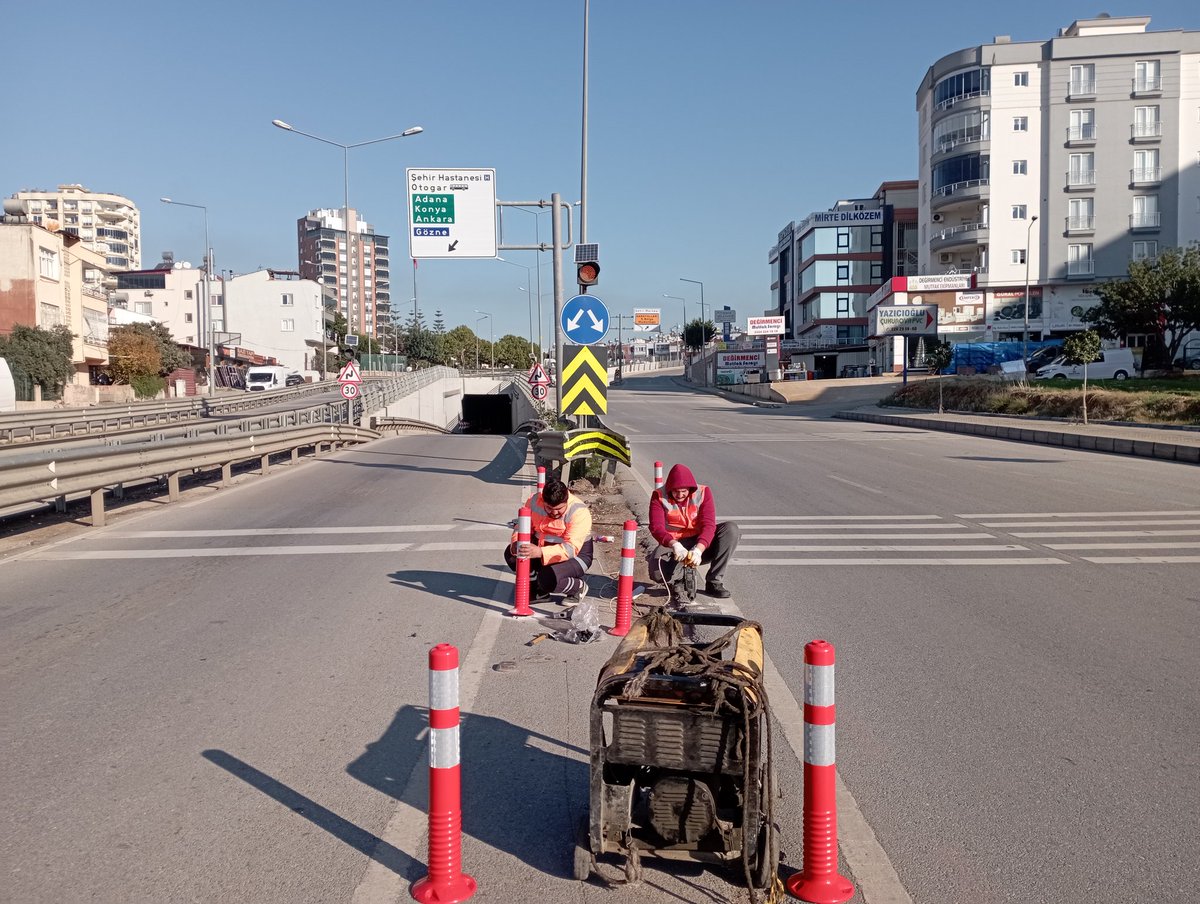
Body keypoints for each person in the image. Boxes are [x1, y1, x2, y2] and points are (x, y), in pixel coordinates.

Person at [648, 464, 740, 600]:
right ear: (669, 489)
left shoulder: (703, 493)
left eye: (683, 491)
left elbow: (708, 525)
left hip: (699, 541)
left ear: (690, 488)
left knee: (730, 529)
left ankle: (714, 582)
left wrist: (698, 550)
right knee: (656, 572)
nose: (679, 495)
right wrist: (674, 545)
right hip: (674, 543)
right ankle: (678, 579)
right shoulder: (659, 496)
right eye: (675, 491)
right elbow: (657, 528)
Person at [504, 477, 593, 606]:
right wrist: (516, 542)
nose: (554, 513)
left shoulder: (579, 511)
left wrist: (540, 552)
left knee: (547, 579)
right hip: (542, 549)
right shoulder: (534, 501)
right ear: (543, 500)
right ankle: (538, 592)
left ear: (566, 499)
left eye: (559, 509)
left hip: (576, 556)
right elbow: (522, 526)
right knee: (512, 555)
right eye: (549, 508)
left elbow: (571, 549)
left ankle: (578, 587)